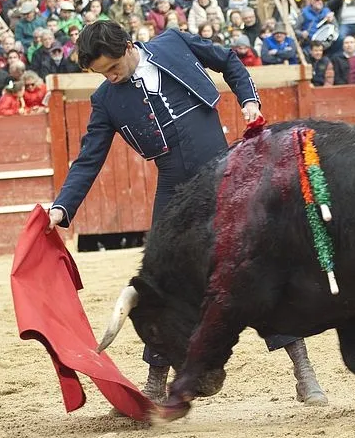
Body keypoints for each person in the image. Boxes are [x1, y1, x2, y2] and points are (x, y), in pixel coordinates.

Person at [46, 21, 327, 407]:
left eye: (112, 68)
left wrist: (248, 99)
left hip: (224, 177)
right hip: (174, 193)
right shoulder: (106, 100)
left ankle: (304, 373)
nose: (110, 78)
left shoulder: (173, 43)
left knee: (258, 268)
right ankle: (155, 383)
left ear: (128, 47)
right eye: (101, 73)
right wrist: (62, 206)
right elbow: (88, 158)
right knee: (160, 284)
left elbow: (228, 60)